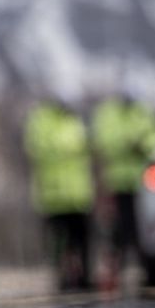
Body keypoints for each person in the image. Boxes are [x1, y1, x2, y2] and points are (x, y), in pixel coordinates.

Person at [24, 96, 95, 290]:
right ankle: (62, 278)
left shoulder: (75, 121)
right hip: (54, 196)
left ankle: (84, 277)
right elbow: (40, 148)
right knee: (59, 241)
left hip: (78, 194)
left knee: (81, 239)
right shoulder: (41, 121)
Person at [92, 92, 155, 277]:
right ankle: (120, 264)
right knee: (118, 226)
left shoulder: (144, 112)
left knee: (143, 225)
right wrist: (127, 144)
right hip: (118, 182)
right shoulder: (109, 115)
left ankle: (145, 264)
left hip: (145, 182)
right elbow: (103, 142)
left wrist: (143, 145)